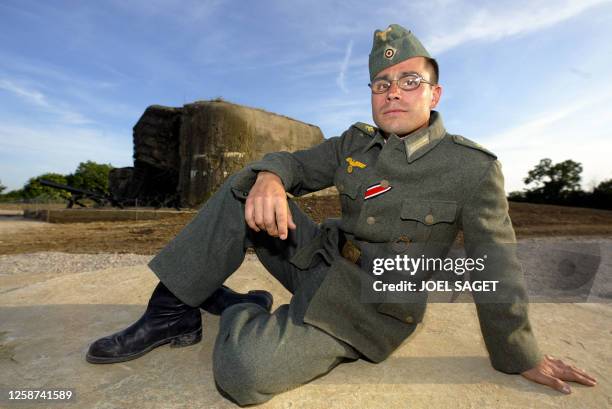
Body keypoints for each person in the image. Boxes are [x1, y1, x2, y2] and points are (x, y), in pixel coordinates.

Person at [86, 24, 597, 405]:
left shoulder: (471, 168)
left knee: (242, 377)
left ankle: (243, 305)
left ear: (434, 94)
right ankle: (172, 311)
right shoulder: (354, 143)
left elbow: (494, 266)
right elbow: (291, 162)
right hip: (315, 259)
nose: (392, 91)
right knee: (247, 189)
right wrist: (269, 177)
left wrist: (520, 354)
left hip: (371, 305)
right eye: (381, 83)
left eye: (408, 80)